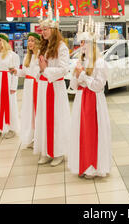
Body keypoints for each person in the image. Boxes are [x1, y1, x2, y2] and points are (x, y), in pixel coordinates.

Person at [68, 24, 111, 179]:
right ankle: (83, 164)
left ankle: (94, 167)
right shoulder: (79, 62)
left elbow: (98, 86)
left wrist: (83, 76)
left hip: (94, 101)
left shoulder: (100, 63)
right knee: (81, 131)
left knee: (94, 132)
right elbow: (73, 85)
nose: (82, 46)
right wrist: (78, 74)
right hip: (80, 100)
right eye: (81, 43)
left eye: (85, 43)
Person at [34, 17, 71, 167]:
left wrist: (45, 69)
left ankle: (58, 152)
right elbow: (39, 68)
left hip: (55, 87)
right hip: (43, 87)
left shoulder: (61, 47)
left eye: (45, 29)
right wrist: (41, 71)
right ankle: (46, 151)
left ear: (53, 30)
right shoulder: (44, 46)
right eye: (42, 30)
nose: (43, 32)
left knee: (56, 119)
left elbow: (64, 69)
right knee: (43, 118)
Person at [12, 32, 41, 149]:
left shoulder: (41, 55)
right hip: (28, 86)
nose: (30, 43)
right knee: (29, 112)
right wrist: (16, 71)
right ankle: (31, 137)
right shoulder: (27, 57)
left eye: (33, 40)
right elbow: (24, 72)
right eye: (29, 40)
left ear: (38, 42)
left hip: (37, 85)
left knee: (37, 111)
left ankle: (39, 138)